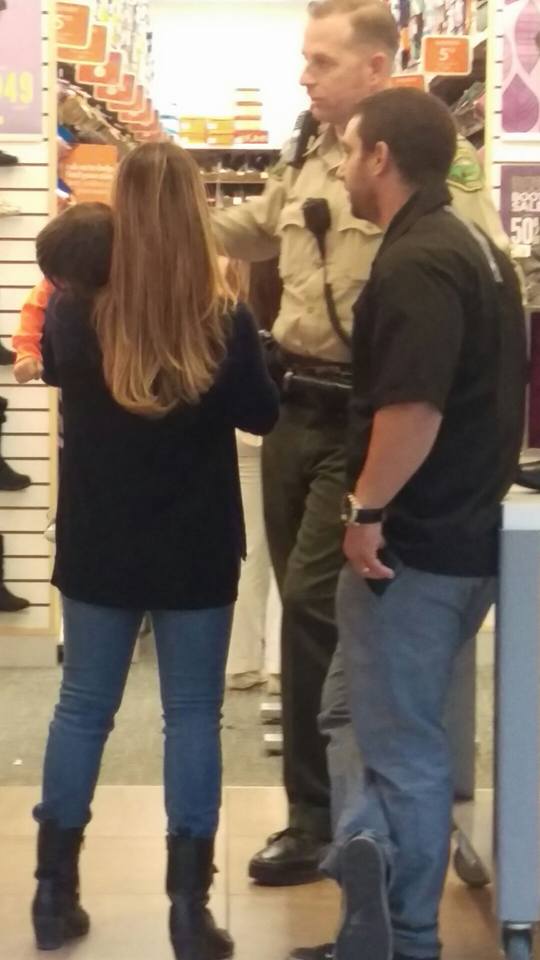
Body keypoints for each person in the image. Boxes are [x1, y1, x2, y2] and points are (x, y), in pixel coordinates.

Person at [213, 0, 508, 887]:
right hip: (291, 403)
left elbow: (468, 283)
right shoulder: (311, 150)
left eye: (321, 59)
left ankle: (333, 825)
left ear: (376, 69)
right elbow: (257, 226)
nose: (304, 74)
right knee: (312, 617)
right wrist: (150, 221)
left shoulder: (427, 166)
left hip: (368, 416)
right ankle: (338, 817)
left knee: (315, 605)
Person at [291, 88, 526, 960]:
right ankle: (373, 885)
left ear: (381, 157)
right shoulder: (473, 243)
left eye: (350, 152)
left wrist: (366, 511)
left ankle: (410, 936)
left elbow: (414, 409)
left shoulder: (419, 259)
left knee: (401, 747)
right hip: (458, 535)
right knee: (353, 713)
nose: (344, 168)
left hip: (410, 547)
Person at [30, 145, 279, 958]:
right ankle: (186, 911)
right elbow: (262, 416)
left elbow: (74, 384)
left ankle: (52, 894)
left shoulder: (74, 312)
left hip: (101, 537)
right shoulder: (222, 316)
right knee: (191, 717)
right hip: (196, 541)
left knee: (81, 709)